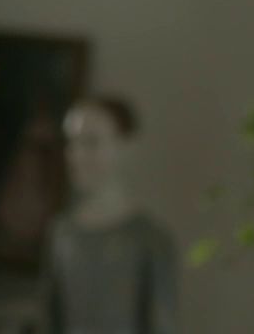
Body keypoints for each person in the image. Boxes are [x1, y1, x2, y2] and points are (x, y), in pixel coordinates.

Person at [39, 95, 177, 334]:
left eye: (91, 142)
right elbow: (50, 321)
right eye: (72, 142)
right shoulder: (61, 232)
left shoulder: (150, 240)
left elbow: (162, 325)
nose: (76, 155)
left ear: (125, 147)